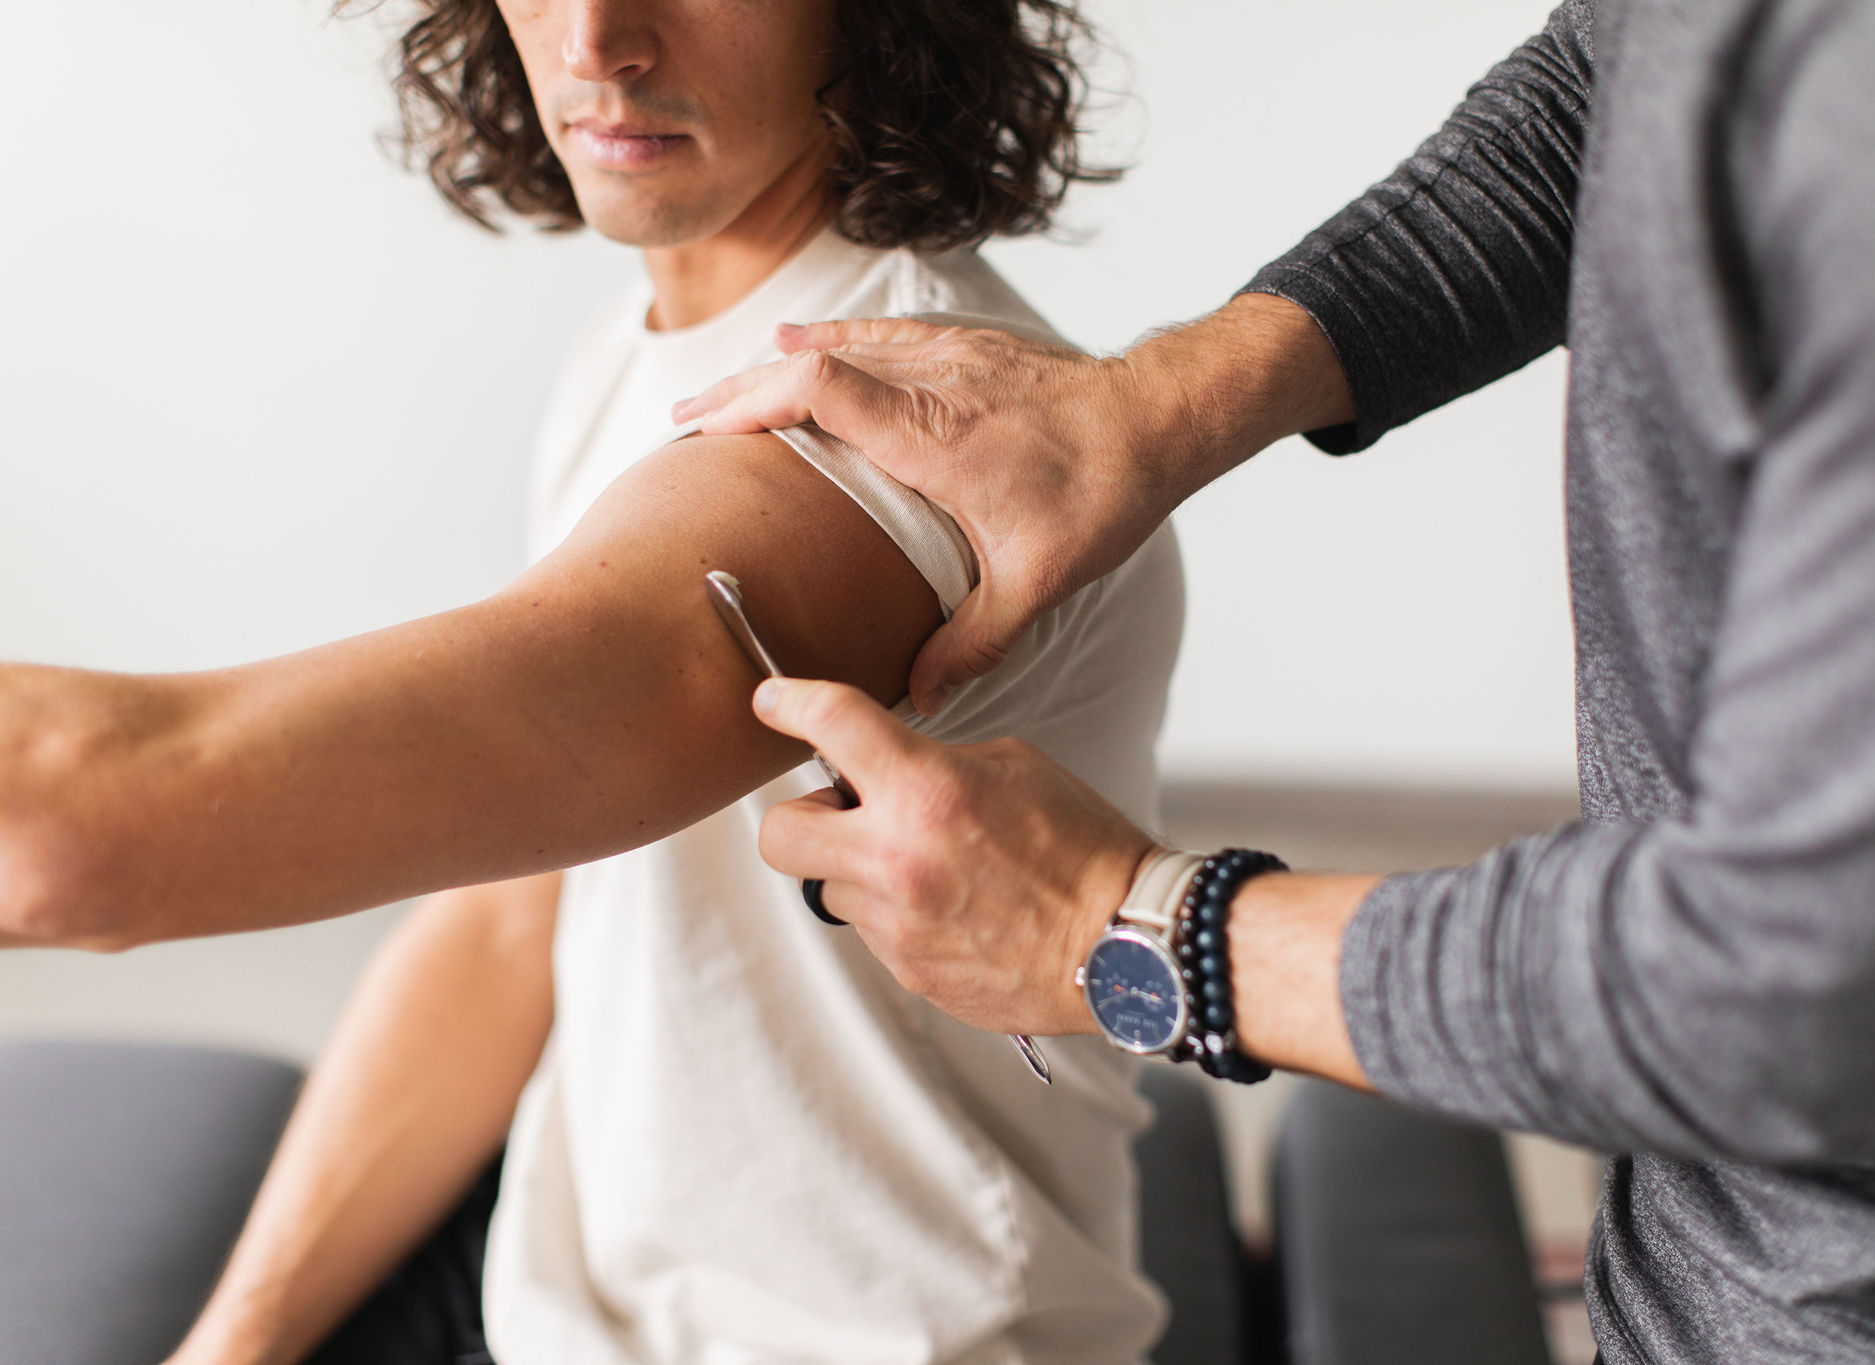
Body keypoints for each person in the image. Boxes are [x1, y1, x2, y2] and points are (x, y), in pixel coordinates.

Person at [677, 1, 1875, 1361]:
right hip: (1724, 1236)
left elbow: (1816, 980)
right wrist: (1158, 404)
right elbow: (1617, 79)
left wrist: (1131, 926)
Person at [0, 1, 1183, 1362]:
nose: (598, 38)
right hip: (577, 1296)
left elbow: (82, 829)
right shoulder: (634, 363)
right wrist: (237, 1341)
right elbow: (512, 930)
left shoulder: (905, 434)